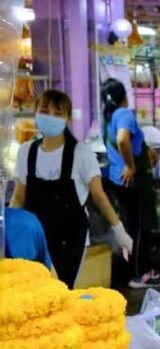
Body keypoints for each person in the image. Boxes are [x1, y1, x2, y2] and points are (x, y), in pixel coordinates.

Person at [9, 89, 132, 288]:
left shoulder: (81, 153)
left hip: (70, 238)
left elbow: (99, 196)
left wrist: (119, 230)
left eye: (58, 113)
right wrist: (7, 227)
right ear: (36, 113)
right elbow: (19, 196)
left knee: (61, 289)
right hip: (35, 237)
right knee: (34, 291)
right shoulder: (26, 152)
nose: (51, 117)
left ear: (68, 119)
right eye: (45, 111)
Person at [101, 78, 160, 288]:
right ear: (124, 96)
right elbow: (122, 139)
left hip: (117, 179)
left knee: (132, 225)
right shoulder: (124, 114)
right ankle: (140, 274)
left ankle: (132, 269)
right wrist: (131, 165)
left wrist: (147, 151)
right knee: (140, 227)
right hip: (130, 180)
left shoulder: (107, 117)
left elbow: (132, 141)